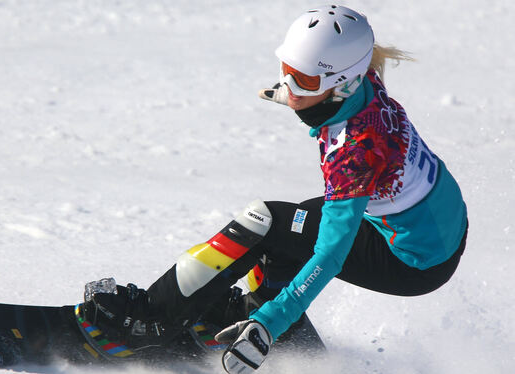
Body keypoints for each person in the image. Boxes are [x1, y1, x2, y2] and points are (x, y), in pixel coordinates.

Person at [80, 5, 468, 373]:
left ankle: (150, 321)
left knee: (265, 221)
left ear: (342, 84)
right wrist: (296, 91)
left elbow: (331, 256)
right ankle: (278, 331)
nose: (290, 85)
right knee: (290, 229)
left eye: (306, 80)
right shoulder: (359, 81)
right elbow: (321, 88)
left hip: (412, 260)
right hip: (433, 226)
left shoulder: (354, 152)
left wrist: (270, 323)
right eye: (287, 70)